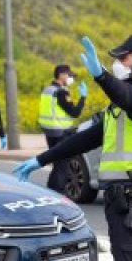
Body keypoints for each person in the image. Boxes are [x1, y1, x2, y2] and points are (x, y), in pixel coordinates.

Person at [15, 34, 132, 261]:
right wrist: (42, 159)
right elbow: (87, 138)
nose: (117, 64)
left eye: (123, 59)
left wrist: (102, 77)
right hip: (123, 200)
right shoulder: (123, 105)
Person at [38, 64, 88, 193]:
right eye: (69, 75)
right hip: (61, 133)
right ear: (61, 75)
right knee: (62, 166)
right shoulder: (61, 92)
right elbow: (75, 112)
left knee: (57, 164)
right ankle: (57, 193)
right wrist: (83, 97)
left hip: (50, 132)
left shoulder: (47, 90)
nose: (71, 78)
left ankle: (51, 191)